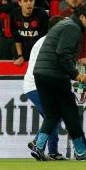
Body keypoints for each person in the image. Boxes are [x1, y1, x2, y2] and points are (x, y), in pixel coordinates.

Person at [31, 5, 86, 161]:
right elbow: (62, 54)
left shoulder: (64, 24)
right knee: (71, 113)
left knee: (53, 114)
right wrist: (76, 74)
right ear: (82, 17)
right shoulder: (73, 27)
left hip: (40, 74)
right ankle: (80, 151)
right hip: (55, 75)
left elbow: (60, 52)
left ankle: (38, 147)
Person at [23, 15, 67, 161]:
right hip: (37, 85)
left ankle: (52, 151)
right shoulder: (51, 43)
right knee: (54, 115)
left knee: (52, 116)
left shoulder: (44, 40)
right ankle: (38, 144)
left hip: (35, 84)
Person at [10, 0, 49, 65]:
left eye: (31, 0)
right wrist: (20, 55)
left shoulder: (42, 14)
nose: (29, 3)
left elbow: (43, 39)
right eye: (25, 1)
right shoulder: (14, 14)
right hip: (21, 52)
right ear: (20, 3)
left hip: (38, 52)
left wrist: (38, 56)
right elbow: (16, 37)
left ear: (34, 1)